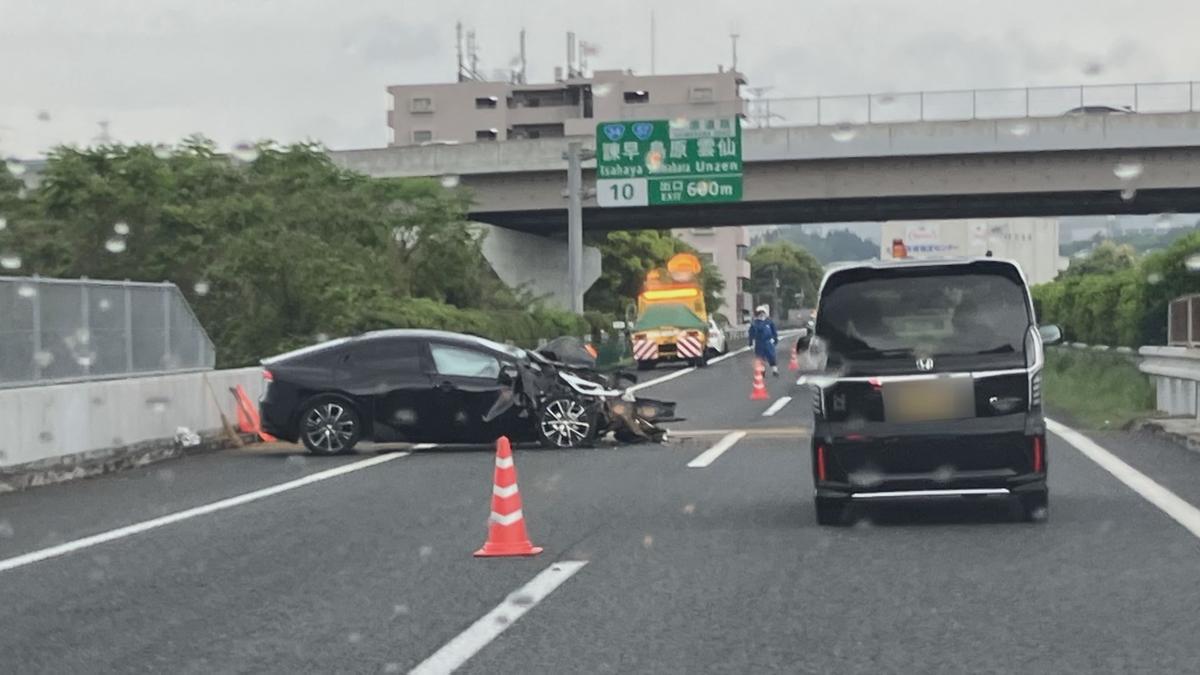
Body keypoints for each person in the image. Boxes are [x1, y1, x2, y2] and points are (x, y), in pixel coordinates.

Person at [749, 305, 780, 376]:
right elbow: (751, 334)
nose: (762, 314)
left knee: (771, 356)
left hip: (768, 342)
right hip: (759, 343)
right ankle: (763, 370)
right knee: (760, 357)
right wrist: (751, 343)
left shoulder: (769, 322)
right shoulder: (755, 323)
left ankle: (775, 370)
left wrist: (775, 339)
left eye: (763, 312)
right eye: (760, 313)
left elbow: (774, 331)